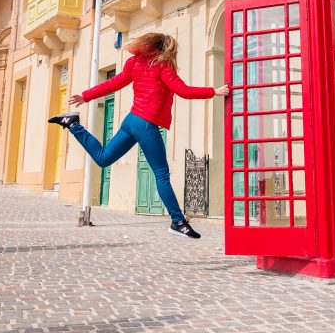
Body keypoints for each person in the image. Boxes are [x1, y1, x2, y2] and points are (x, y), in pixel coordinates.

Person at [48, 32, 228, 238]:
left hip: (132, 120)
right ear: (165, 48)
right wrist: (214, 91)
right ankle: (178, 221)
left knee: (103, 158)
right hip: (146, 124)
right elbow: (183, 91)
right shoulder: (162, 65)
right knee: (161, 174)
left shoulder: (134, 62)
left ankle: (72, 124)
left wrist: (85, 96)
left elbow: (113, 84)